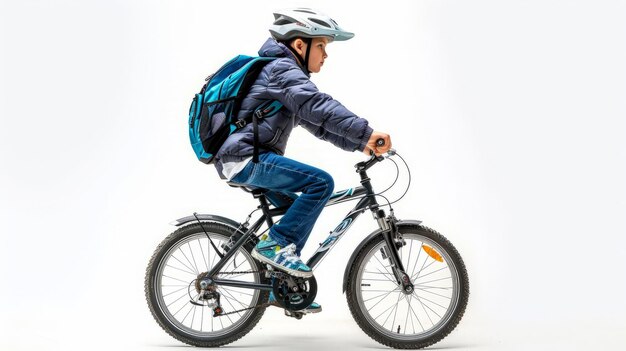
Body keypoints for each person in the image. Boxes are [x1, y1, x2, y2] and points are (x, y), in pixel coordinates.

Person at [213, 8, 392, 311]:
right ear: (300, 45)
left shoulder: (283, 75)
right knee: (320, 184)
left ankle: (279, 286)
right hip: (246, 158)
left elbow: (318, 125)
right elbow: (318, 106)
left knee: (295, 211)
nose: (325, 55)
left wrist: (360, 144)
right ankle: (273, 246)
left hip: (246, 158)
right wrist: (367, 132)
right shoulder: (282, 71)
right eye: (321, 45)